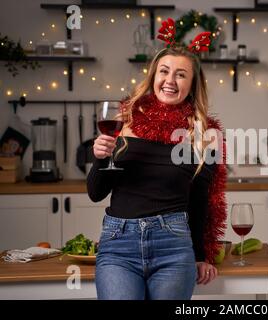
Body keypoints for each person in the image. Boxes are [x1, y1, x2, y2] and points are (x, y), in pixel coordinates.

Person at [87, 19, 227, 300]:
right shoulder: (124, 122)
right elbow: (96, 192)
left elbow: (202, 201)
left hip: (174, 245)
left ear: (192, 83)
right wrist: (101, 159)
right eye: (164, 71)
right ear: (153, 76)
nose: (170, 81)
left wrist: (202, 255)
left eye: (180, 75)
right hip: (118, 244)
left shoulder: (206, 134)